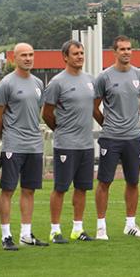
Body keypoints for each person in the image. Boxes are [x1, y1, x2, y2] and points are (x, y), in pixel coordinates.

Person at [0, 43, 49, 250]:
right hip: (13, 145)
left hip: (34, 145)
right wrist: (8, 137)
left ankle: (26, 233)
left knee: (29, 190)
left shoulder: (38, 83)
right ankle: (6, 236)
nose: (28, 58)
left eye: (31, 55)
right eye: (23, 55)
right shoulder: (6, 84)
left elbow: (37, 111)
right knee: (8, 190)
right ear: (14, 58)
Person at [93, 36, 140, 240]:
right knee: (104, 182)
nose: (126, 52)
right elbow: (94, 107)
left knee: (133, 182)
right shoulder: (104, 77)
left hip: (134, 138)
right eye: (122, 49)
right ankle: (101, 227)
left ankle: (131, 224)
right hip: (110, 138)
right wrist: (108, 125)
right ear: (114, 52)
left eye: (129, 49)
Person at [43, 40, 96, 244]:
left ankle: (77, 228)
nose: (80, 56)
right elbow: (47, 114)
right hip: (66, 144)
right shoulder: (57, 82)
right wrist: (61, 130)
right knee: (61, 188)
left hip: (86, 144)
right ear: (65, 57)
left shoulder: (90, 80)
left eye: (82, 52)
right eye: (75, 53)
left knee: (82, 187)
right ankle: (55, 230)